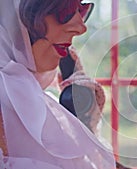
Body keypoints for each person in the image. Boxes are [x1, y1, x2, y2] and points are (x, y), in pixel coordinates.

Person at [0, 0, 116, 168]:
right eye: (65, 10)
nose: (81, 28)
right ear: (12, 17)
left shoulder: (39, 101)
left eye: (81, 10)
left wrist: (81, 115)